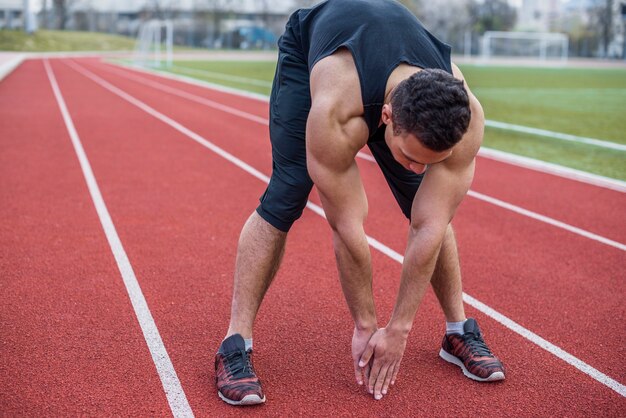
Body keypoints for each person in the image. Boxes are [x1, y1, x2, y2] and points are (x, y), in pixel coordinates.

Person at [214, 0, 505, 406]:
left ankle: (459, 330)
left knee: (425, 206)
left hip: (393, 75)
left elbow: (430, 226)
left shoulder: (466, 118)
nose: (419, 170)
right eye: (411, 157)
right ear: (386, 116)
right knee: (286, 195)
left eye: (430, 162)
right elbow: (347, 227)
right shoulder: (335, 111)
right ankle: (235, 343)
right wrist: (367, 326)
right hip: (319, 54)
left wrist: (400, 329)